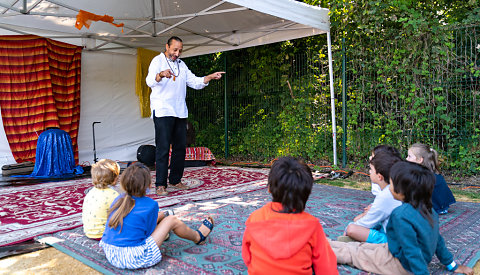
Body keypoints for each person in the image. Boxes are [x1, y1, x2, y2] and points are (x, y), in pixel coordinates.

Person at [330, 161, 474, 275]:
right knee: (359, 248)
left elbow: (411, 251)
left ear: (401, 191)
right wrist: (452, 265)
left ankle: (318, 248)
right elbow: (437, 240)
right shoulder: (429, 210)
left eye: (391, 184)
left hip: (400, 264)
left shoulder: (400, 215)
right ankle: (327, 243)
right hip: (401, 254)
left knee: (354, 254)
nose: (388, 188)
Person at [145, 36, 225, 196]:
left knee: (180, 148)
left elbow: (194, 82)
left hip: (180, 111)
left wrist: (208, 77)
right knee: (162, 149)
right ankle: (161, 184)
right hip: (163, 110)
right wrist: (160, 74)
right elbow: (149, 81)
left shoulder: (182, 65)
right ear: (167, 46)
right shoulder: (157, 61)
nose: (177, 53)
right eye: (175, 49)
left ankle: (175, 180)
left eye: (180, 50)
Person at [99, 162, 214, 269]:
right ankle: (198, 237)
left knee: (155, 218)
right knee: (171, 220)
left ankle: (163, 215)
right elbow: (148, 234)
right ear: (149, 185)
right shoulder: (150, 204)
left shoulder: (118, 200)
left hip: (111, 253)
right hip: (133, 257)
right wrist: (164, 229)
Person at [242, 157, 338, 275]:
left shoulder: (254, 219)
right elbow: (327, 270)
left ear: (269, 189)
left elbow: (247, 258)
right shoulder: (313, 226)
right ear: (307, 192)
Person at [339, 151, 402, 243]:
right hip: (397, 234)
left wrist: (350, 227)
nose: (369, 172)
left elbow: (366, 223)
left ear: (379, 177)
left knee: (351, 228)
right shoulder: (393, 189)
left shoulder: (386, 195)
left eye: (371, 170)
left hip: (395, 241)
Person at [406, 143, 456, 214]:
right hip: (442, 207)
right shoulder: (431, 173)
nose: (406, 158)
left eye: (409, 156)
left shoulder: (421, 175)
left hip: (434, 208)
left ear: (420, 160)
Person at [82, 159, 120, 240]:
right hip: (105, 234)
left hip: (89, 232)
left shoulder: (91, 192)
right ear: (115, 179)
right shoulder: (113, 194)